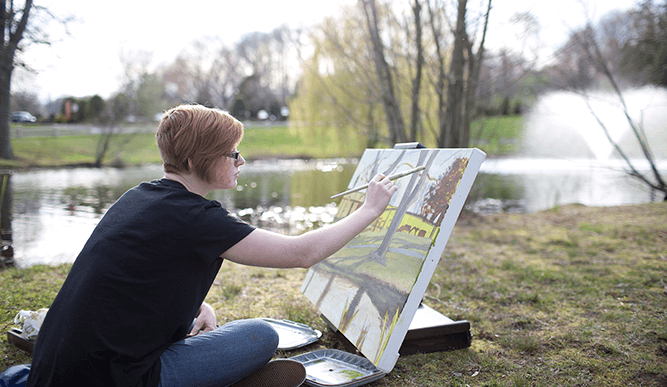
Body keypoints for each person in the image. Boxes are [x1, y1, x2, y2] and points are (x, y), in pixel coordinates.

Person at [21, 104, 397, 387]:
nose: (241, 160)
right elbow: (301, 253)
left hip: (52, 369)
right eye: (232, 153)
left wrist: (196, 304)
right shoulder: (197, 218)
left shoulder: (139, 196)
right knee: (261, 335)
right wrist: (369, 209)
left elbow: (132, 277)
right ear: (195, 159)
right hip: (116, 379)